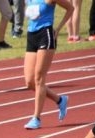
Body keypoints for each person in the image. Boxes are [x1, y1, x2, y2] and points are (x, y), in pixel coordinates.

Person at [21, 0, 73, 130]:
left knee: (39, 78)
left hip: (46, 35)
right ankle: (60, 100)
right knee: (29, 82)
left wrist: (58, 29)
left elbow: (70, 8)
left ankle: (36, 118)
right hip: (31, 35)